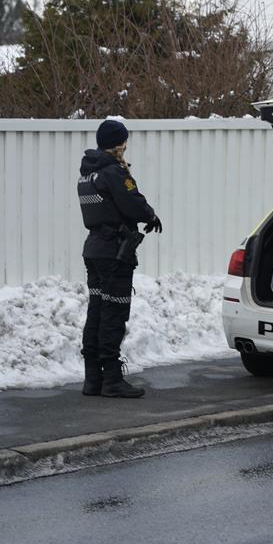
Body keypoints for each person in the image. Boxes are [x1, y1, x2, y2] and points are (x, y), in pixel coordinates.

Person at [78, 119, 162, 399]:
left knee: (97, 311)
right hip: (114, 252)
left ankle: (93, 378)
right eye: (124, 141)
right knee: (113, 312)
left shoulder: (88, 173)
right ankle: (112, 379)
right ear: (119, 143)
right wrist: (150, 215)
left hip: (95, 249)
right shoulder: (113, 171)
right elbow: (132, 203)